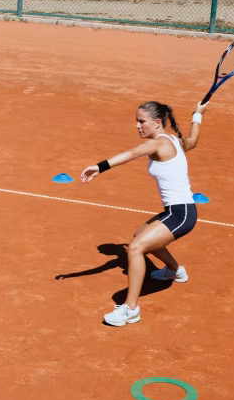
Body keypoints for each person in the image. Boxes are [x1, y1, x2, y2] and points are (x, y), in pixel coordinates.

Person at [80, 100, 209, 326]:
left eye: (142, 121)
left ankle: (130, 309)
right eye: (136, 121)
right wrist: (197, 115)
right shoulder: (174, 140)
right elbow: (193, 141)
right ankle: (175, 271)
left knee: (136, 248)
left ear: (157, 123)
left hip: (182, 215)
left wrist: (99, 166)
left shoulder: (158, 144)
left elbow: (132, 152)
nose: (137, 126)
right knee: (140, 234)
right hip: (175, 211)